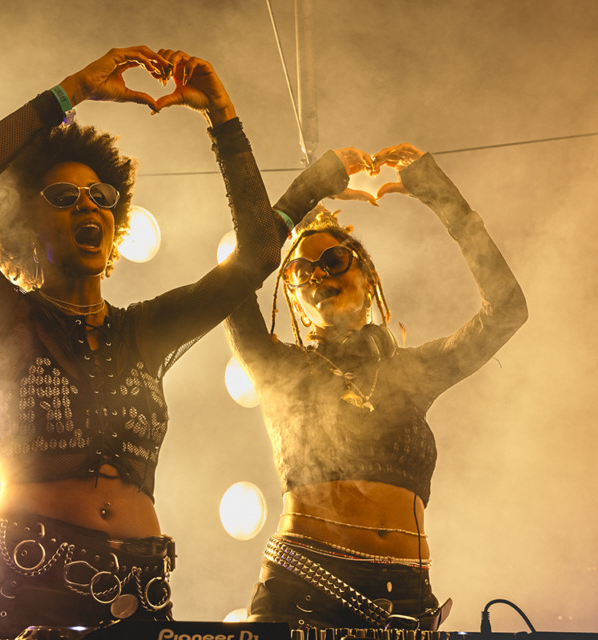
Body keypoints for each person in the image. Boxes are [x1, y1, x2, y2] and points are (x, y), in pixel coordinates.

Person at [0, 46, 290, 639]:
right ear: (28, 225)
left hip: (136, 594)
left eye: (101, 197)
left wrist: (221, 115)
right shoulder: (6, 317)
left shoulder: (143, 332)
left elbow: (256, 252)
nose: (88, 206)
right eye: (65, 199)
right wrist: (70, 91)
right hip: (20, 591)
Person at [226, 143, 528, 630]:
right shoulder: (278, 367)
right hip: (301, 590)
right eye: (301, 272)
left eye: (334, 261)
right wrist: (311, 187)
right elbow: (236, 279)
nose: (316, 274)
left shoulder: (412, 371)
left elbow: (507, 310)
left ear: (367, 278)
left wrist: (439, 194)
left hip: (405, 595)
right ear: (296, 303)